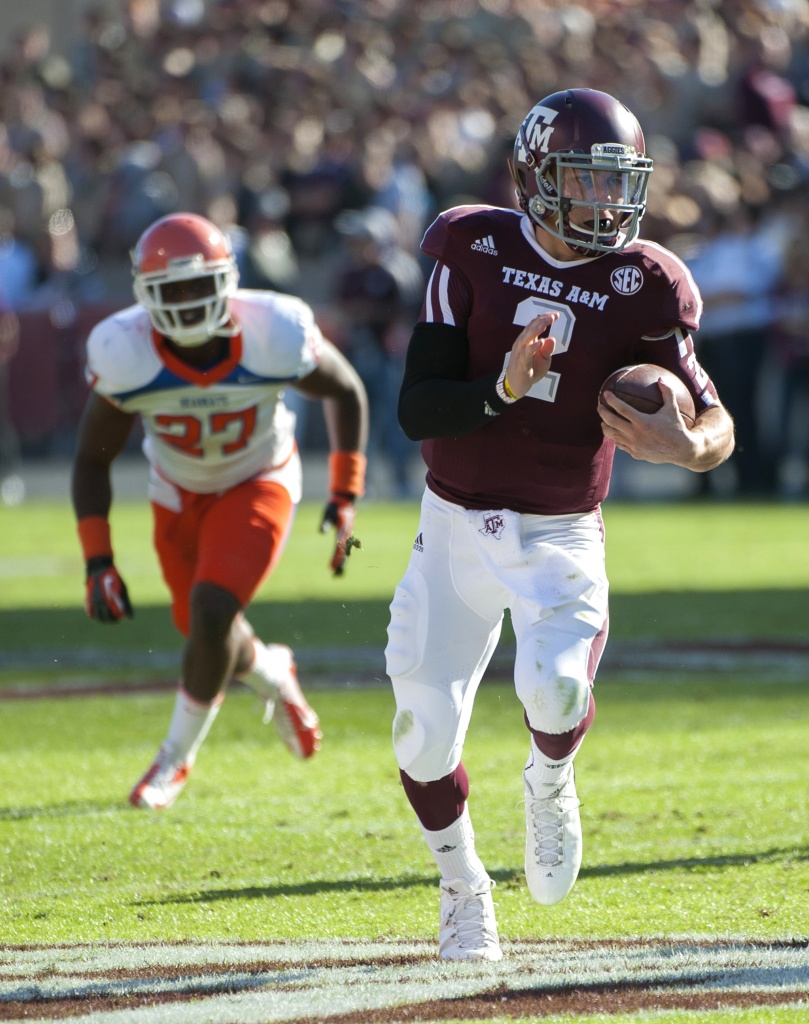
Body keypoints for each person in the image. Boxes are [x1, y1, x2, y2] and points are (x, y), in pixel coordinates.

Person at [385, 88, 735, 961]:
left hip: (558, 533)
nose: (604, 204)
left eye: (618, 184)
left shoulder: (644, 282)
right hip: (452, 527)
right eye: (584, 182)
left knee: (555, 689)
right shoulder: (471, 245)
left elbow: (716, 423)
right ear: (537, 177)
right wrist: (500, 391)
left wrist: (688, 447)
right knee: (421, 735)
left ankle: (549, 780)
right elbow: (418, 408)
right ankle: (464, 889)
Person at [71, 212, 368, 811]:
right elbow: (90, 461)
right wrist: (97, 560)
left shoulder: (274, 330)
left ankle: (173, 760)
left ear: (227, 281)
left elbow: (346, 391)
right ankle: (274, 672)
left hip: (260, 478)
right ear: (143, 293)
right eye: (169, 290)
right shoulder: (124, 349)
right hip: (177, 491)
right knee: (207, 633)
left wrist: (345, 493)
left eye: (196, 287)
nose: (183, 304)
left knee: (210, 613)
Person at [333, 206, 425, 498]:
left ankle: (401, 480)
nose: (357, 248)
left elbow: (405, 312)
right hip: (359, 354)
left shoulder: (395, 270)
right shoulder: (350, 273)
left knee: (395, 419)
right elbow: (345, 310)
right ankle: (363, 481)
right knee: (361, 420)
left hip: (389, 357)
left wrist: (368, 314)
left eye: (362, 241)